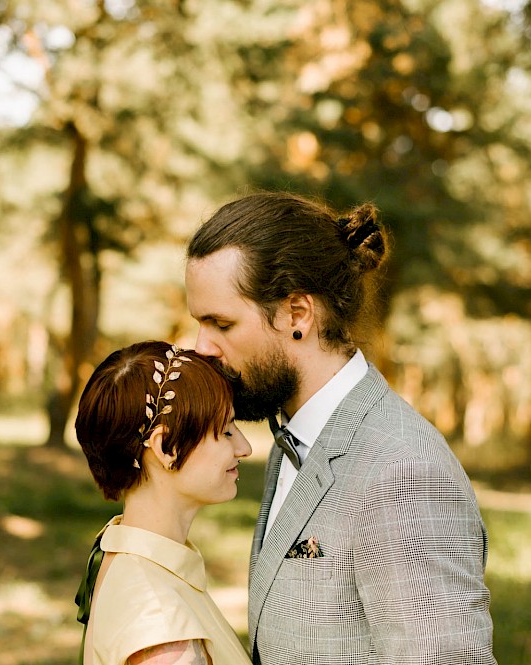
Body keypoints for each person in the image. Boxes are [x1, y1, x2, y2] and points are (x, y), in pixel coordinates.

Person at [185, 192, 496, 663]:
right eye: (199, 323)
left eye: (221, 324)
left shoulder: (402, 472)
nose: (201, 346)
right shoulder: (294, 436)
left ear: (297, 314)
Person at [74, 340, 254, 665]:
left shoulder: (128, 558)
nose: (245, 448)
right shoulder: (159, 623)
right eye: (226, 431)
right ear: (167, 448)